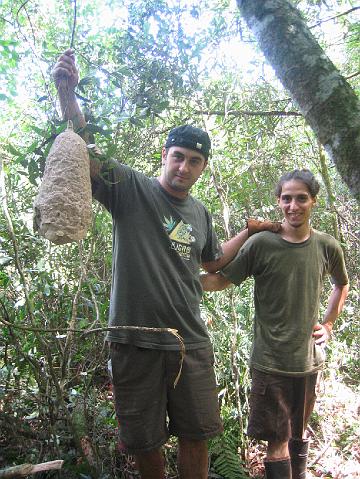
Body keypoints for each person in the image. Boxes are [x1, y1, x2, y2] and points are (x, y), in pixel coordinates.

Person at [52, 49, 281, 479]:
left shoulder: (200, 213)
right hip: (135, 339)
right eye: (178, 156)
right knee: (145, 442)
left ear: (203, 167)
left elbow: (212, 260)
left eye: (194, 161)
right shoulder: (131, 189)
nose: (184, 166)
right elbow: (88, 149)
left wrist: (249, 233)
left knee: (198, 435)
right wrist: (68, 93)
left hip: (189, 341)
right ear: (165, 154)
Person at [201, 169, 349, 479]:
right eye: (286, 199)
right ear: (278, 202)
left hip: (308, 362)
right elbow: (220, 280)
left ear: (314, 202)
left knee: (298, 434)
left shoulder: (326, 245)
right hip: (271, 363)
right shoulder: (262, 244)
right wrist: (179, 276)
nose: (293, 206)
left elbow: (341, 284)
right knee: (277, 443)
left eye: (301, 198)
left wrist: (329, 323)